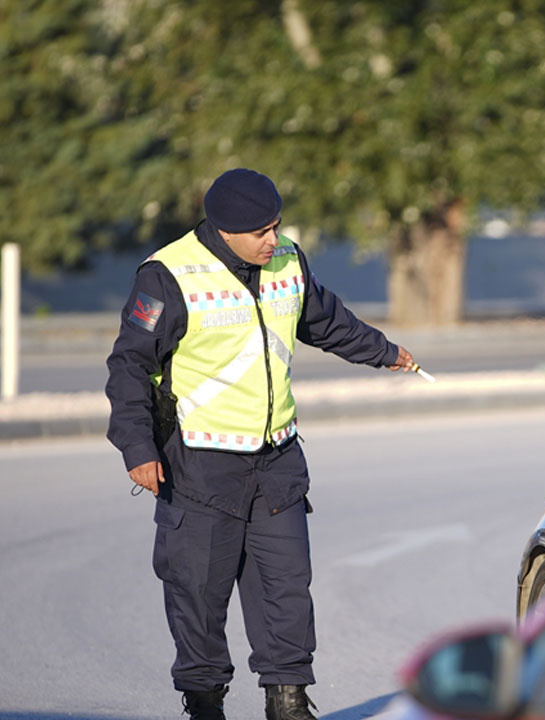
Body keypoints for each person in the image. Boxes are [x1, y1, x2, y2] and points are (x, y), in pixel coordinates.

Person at [105, 169, 419, 720]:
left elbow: (324, 321)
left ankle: (289, 702)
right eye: (261, 233)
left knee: (287, 591)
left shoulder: (288, 259)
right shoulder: (169, 275)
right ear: (225, 230)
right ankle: (204, 703)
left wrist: (385, 352)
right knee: (198, 595)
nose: (273, 240)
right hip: (199, 465)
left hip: (276, 462)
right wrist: (138, 448)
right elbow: (130, 365)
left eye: (276, 226)